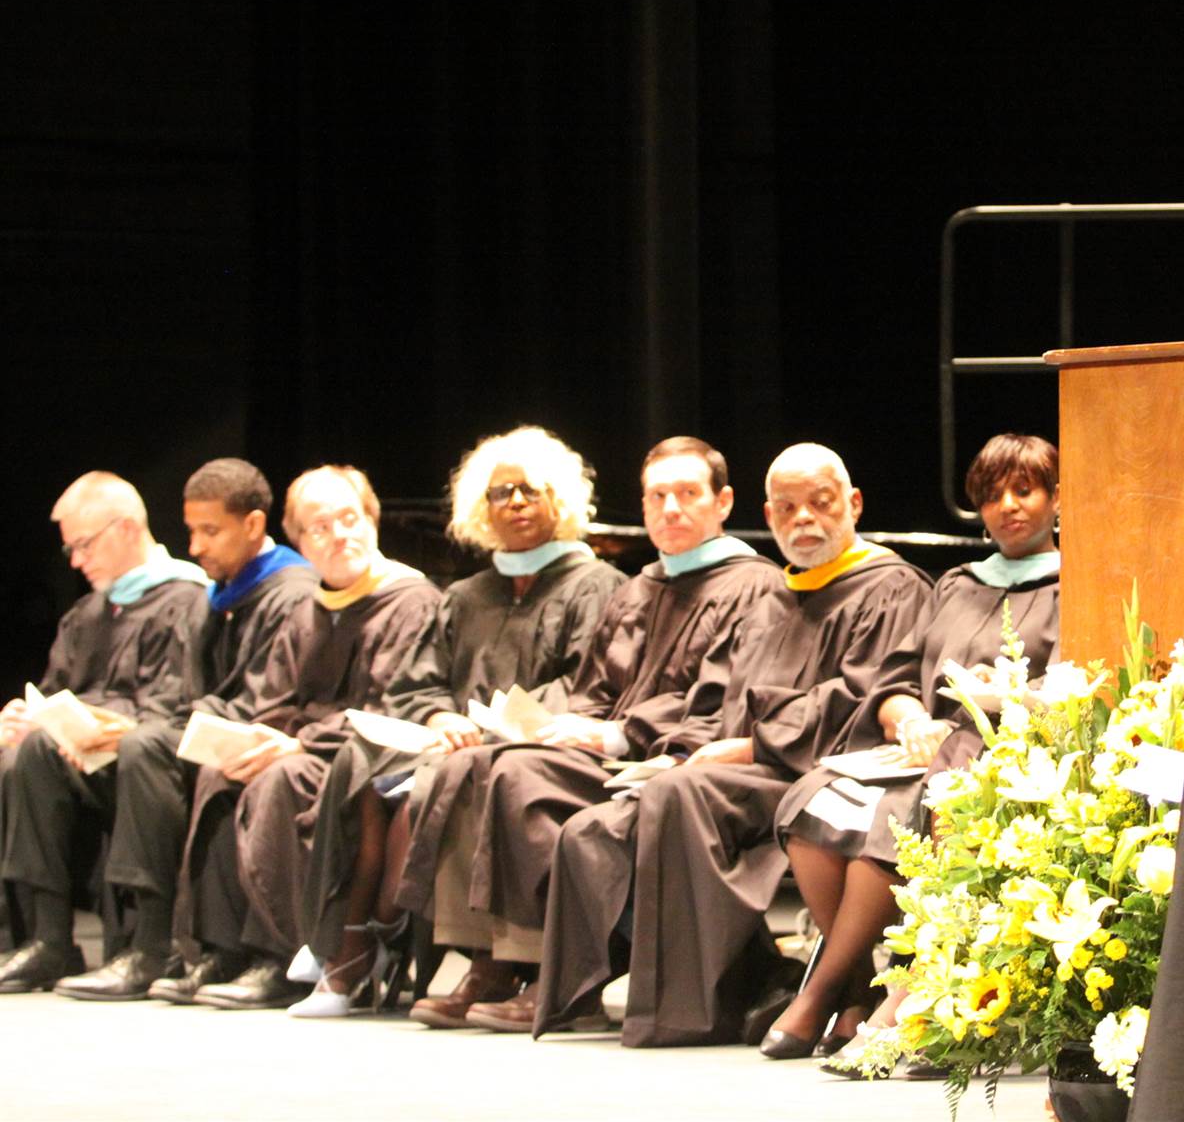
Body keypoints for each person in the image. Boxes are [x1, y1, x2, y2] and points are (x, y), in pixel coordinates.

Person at [530, 443, 933, 1047]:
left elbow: (861, 698)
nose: (804, 519)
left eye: (820, 504)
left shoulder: (892, 586)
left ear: (852, 504)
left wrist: (747, 749)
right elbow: (720, 702)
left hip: (823, 772)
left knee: (681, 794)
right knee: (595, 828)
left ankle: (699, 1011)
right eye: (788, 507)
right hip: (746, 771)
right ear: (768, 517)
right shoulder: (771, 596)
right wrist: (685, 749)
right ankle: (762, 985)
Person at [400, 435, 782, 1030]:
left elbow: (719, 699)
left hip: (671, 757)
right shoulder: (639, 587)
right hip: (612, 750)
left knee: (518, 776)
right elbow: (595, 689)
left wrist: (613, 735)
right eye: (658, 496)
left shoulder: (751, 585)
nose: (671, 509)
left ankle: (552, 974)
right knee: (472, 766)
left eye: (687, 494)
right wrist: (568, 723)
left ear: (723, 502)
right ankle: (490, 960)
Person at [286, 426, 627, 1019]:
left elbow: (588, 685)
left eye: (530, 489)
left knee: (464, 774)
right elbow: (418, 683)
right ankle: (347, 943)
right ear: (481, 508)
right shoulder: (466, 595)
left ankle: (467, 962)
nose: (515, 502)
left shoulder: (595, 585)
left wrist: (494, 724)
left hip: (543, 744)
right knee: (357, 758)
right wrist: (441, 714)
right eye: (500, 493)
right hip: (455, 745)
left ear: (561, 499)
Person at [765, 434, 1062, 1062]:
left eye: (1025, 490)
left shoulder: (1076, 582)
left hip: (1007, 753)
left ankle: (831, 996)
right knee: (810, 802)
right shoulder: (955, 583)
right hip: (926, 748)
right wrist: (909, 720)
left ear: (1057, 498)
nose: (1008, 505)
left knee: (897, 817)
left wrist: (1004, 697)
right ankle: (850, 988)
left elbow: (1070, 687)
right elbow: (896, 681)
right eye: (991, 495)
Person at [55, 459, 319, 1001]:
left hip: (271, 734)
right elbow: (198, 690)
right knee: (137, 739)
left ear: (253, 525)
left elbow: (271, 696)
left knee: (152, 745)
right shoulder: (219, 596)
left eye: (210, 531)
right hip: (216, 729)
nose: (195, 546)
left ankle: (157, 946)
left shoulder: (291, 592)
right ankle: (208, 951)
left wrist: (168, 725)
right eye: (193, 530)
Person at [180, 465, 442, 1011]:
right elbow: (276, 702)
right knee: (221, 772)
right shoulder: (307, 611)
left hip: (367, 759)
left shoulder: (411, 601)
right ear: (300, 542)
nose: (339, 535)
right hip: (301, 749)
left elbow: (393, 707)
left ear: (371, 521)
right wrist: (255, 737)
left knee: (282, 777)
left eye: (349, 519)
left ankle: (286, 954)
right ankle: (226, 948)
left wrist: (298, 745)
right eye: (319, 527)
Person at [0, 472, 210, 993]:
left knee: (139, 746)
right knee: (23, 754)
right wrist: (27, 720)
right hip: (86, 760)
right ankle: (48, 939)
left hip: (159, 762)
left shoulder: (188, 599)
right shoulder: (87, 613)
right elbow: (55, 692)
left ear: (125, 528)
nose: (75, 560)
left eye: (84, 544)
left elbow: (175, 708)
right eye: (70, 548)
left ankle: (150, 949)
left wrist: (101, 727)